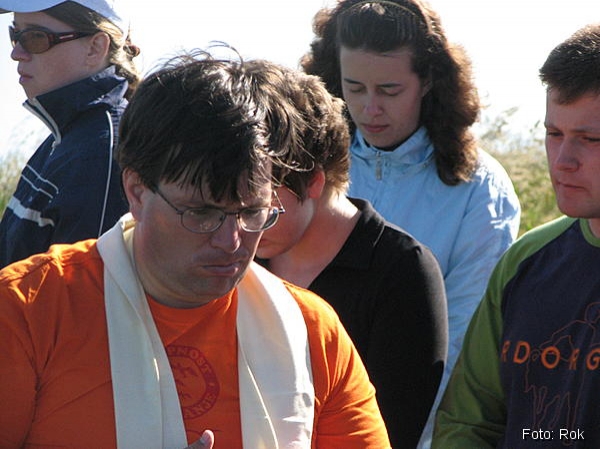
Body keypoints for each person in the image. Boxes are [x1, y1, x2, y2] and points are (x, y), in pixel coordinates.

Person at [0, 50, 391, 448]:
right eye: (202, 213)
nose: (231, 241)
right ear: (136, 191)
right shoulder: (27, 310)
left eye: (252, 213)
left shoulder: (312, 333)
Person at [301, 0, 521, 445]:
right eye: (354, 87)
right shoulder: (302, 166)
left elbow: (460, 348)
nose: (369, 108)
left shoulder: (480, 190)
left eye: (390, 90)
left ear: (429, 80)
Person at [252, 60, 448, 448]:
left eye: (261, 196)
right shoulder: (237, 251)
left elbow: (389, 432)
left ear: (313, 181)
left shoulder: (403, 272)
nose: (246, 217)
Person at [432, 23, 600, 448]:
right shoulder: (525, 261)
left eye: (590, 139)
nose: (562, 160)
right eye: (554, 134)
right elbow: (469, 422)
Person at [0, 0, 141, 268]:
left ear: (95, 48)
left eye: (35, 38)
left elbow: (84, 288)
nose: (16, 53)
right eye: (15, 35)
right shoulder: (71, 135)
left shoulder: (103, 152)